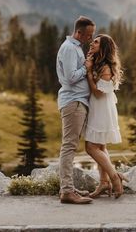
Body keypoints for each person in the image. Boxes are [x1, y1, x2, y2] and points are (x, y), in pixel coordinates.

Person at [56, 16, 96, 204]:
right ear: (78, 32)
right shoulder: (70, 48)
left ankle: (69, 188)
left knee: (70, 145)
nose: (90, 39)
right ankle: (66, 192)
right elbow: (71, 77)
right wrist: (86, 67)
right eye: (88, 35)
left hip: (77, 102)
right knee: (69, 146)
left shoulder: (75, 48)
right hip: (73, 102)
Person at [85, 34, 128, 199]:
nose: (92, 43)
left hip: (102, 109)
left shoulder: (106, 68)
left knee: (91, 148)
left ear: (103, 48)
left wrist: (89, 71)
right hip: (99, 108)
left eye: (96, 42)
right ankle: (104, 182)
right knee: (101, 148)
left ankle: (114, 177)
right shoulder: (100, 64)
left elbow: (98, 93)